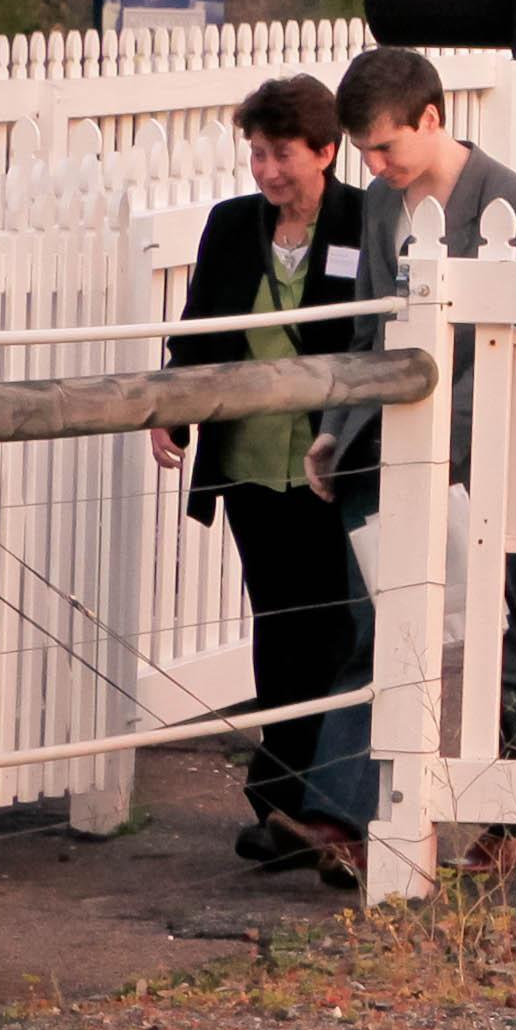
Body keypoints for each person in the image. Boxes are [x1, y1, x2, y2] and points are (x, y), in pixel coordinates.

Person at [157, 75, 389, 888]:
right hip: (254, 463)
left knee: (338, 636)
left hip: (337, 465)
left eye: (281, 153)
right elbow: (200, 328)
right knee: (280, 625)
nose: (266, 170)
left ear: (326, 150)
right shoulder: (231, 225)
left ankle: (324, 812)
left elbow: (377, 333)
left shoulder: (367, 218)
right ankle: (286, 811)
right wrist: (170, 406)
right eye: (256, 152)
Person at [333, 46, 516, 879]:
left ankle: (513, 808)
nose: (375, 165)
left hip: (488, 448)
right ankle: (391, 806)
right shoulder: (377, 206)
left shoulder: (515, 204)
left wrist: (443, 444)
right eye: (363, 151)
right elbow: (367, 326)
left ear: (433, 118)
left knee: (501, 621)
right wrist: (338, 427)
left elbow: (510, 344)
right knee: (392, 620)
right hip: (392, 447)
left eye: (386, 147)